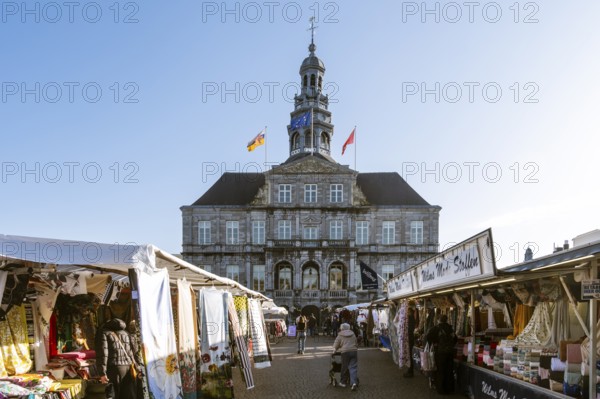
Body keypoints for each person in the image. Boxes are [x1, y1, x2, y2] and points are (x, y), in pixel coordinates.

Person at [98, 318, 139, 399]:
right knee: (128, 395)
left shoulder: (104, 333)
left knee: (113, 394)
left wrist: (102, 373)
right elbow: (132, 352)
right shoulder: (126, 333)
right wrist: (137, 367)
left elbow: (103, 354)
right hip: (128, 368)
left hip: (114, 369)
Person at [426, 314, 457, 395]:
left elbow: (427, 337)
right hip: (450, 353)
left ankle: (441, 389)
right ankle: (449, 389)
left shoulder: (436, 328)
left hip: (440, 353)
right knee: (449, 370)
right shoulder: (450, 328)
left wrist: (435, 343)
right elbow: (455, 339)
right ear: (446, 320)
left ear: (438, 320)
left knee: (440, 371)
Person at [333, 323, 359, 391]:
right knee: (353, 367)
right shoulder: (353, 334)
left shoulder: (340, 335)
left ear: (342, 328)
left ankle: (343, 382)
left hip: (345, 352)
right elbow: (356, 343)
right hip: (354, 351)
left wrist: (334, 350)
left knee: (344, 366)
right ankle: (353, 383)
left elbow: (336, 344)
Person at [404, 302, 417, 378]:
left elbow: (409, 329)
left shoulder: (410, 319)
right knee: (409, 355)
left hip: (410, 338)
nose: (407, 313)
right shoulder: (411, 319)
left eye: (408, 312)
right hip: (410, 338)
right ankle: (409, 370)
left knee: (409, 355)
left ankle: (410, 371)